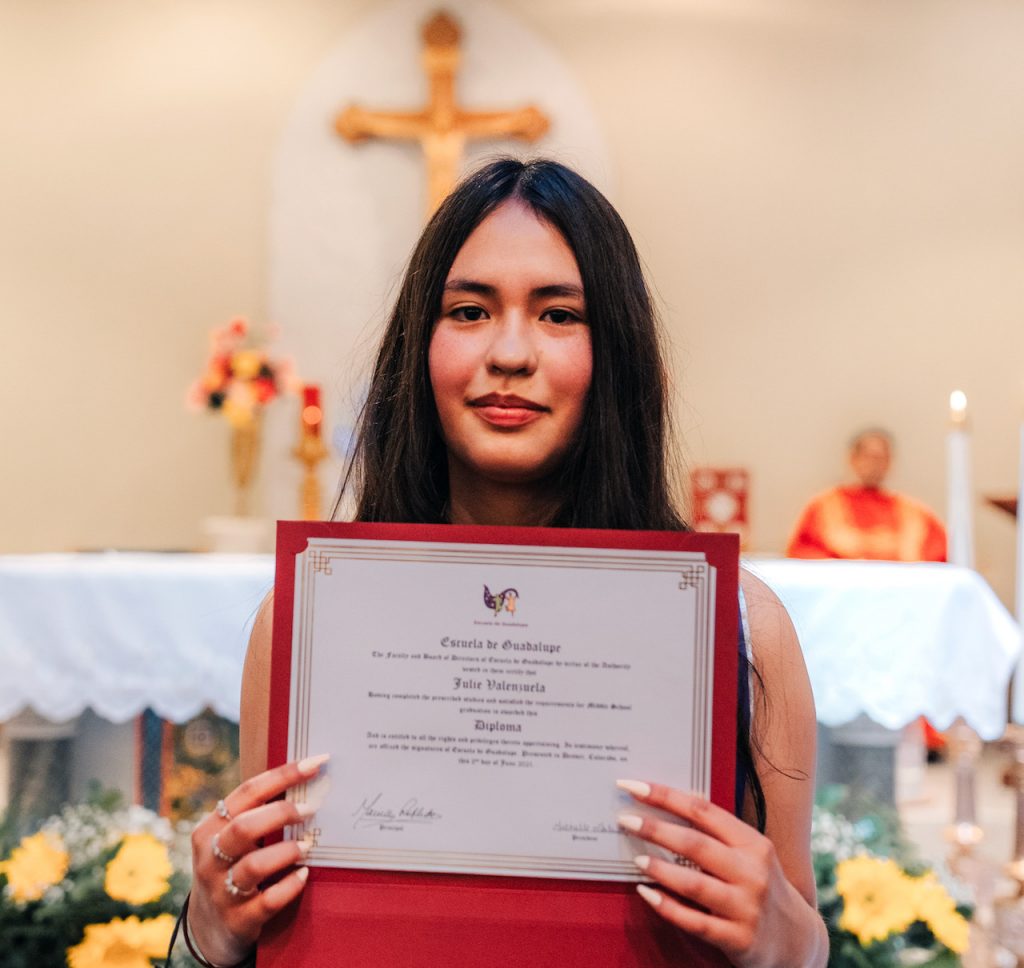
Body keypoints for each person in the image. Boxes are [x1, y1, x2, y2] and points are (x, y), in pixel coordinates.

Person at [179, 159, 827, 968]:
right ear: (420, 347)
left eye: (559, 314)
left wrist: (783, 938)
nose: (511, 352)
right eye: (470, 309)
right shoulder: (307, 618)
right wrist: (208, 930)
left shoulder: (742, 625)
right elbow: (256, 917)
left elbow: (802, 934)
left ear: (616, 353)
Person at [786, 429, 947, 562]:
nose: (874, 465)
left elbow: (940, 556)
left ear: (890, 462)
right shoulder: (823, 506)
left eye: (881, 458)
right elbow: (802, 553)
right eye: (868, 456)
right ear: (852, 458)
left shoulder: (914, 512)